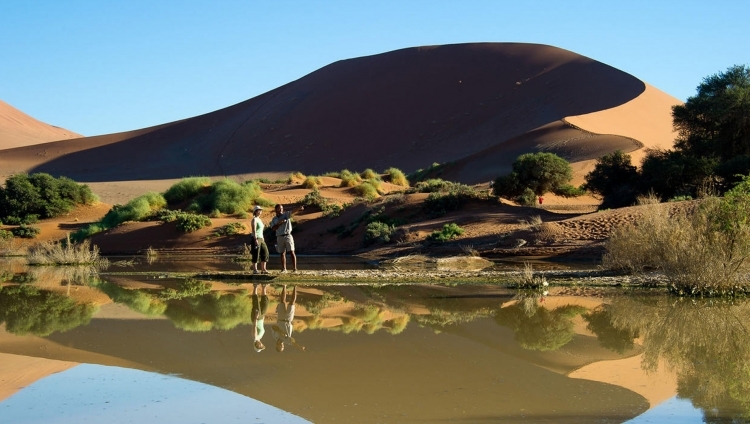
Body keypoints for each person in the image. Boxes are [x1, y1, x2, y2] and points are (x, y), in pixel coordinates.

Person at [269, 203, 303, 272]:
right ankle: (284, 269)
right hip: (279, 236)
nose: (281, 209)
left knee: (292, 251)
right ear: (276, 210)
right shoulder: (274, 219)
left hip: (288, 235)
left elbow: (292, 211)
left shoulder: (286, 215)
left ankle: (295, 269)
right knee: (282, 253)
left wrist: (299, 208)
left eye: (282, 208)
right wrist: (279, 223)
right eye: (279, 208)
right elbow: (273, 228)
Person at [271, 285, 305, 352]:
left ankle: (284, 286)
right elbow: (294, 343)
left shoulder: (275, 337)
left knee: (282, 301)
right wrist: (300, 347)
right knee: (292, 303)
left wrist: (280, 332)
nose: (282, 345)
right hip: (288, 319)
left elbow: (273, 327)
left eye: (280, 346)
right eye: (282, 347)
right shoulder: (287, 340)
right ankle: (295, 286)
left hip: (280, 318)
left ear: (276, 346)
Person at [250, 205, 269, 274]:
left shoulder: (259, 220)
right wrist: (255, 239)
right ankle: (255, 270)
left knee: (265, 252)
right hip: (256, 237)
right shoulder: (254, 219)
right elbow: (254, 230)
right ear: (255, 211)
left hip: (261, 238)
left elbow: (261, 230)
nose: (260, 211)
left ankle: (263, 269)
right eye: (259, 210)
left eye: (261, 210)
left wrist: (263, 238)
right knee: (256, 253)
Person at [251, 283, 269, 352]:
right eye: (261, 346)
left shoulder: (255, 337)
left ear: (256, 345)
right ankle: (264, 286)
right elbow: (261, 326)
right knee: (265, 303)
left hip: (256, 318)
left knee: (256, 302)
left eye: (259, 347)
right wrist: (263, 318)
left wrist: (256, 317)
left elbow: (255, 326)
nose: (260, 345)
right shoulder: (260, 337)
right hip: (261, 318)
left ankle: (255, 286)